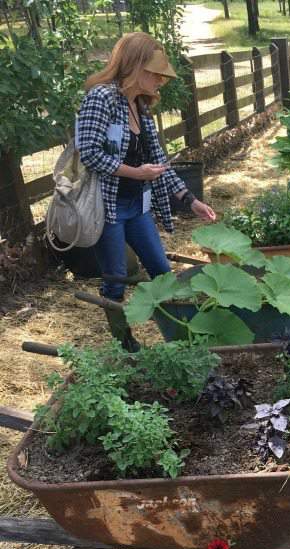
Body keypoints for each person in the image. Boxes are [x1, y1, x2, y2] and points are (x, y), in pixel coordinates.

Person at [77, 32, 216, 347]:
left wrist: (190, 200)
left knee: (162, 272)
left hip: (137, 207)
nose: (161, 81)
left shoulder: (141, 108)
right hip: (107, 207)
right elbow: (89, 153)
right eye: (156, 72)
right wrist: (135, 173)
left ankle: (179, 336)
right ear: (135, 65)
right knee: (115, 279)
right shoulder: (101, 98)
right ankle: (124, 342)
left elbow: (159, 164)